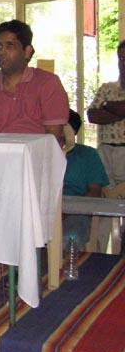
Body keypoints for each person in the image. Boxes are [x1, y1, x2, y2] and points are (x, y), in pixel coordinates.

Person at [0, 19, 70, 283]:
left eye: (10, 46)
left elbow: (53, 140)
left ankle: (17, 259)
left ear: (28, 51)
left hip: (35, 169)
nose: (2, 52)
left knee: (4, 189)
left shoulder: (47, 85)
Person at [63, 109, 109, 248]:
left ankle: (67, 268)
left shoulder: (88, 155)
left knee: (70, 237)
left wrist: (67, 211)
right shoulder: (41, 154)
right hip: (44, 211)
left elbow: (95, 192)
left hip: (78, 212)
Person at [87, 40, 125, 188]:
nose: (123, 63)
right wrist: (119, 110)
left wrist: (107, 106)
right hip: (105, 151)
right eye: (121, 58)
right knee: (107, 194)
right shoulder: (107, 88)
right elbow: (93, 115)